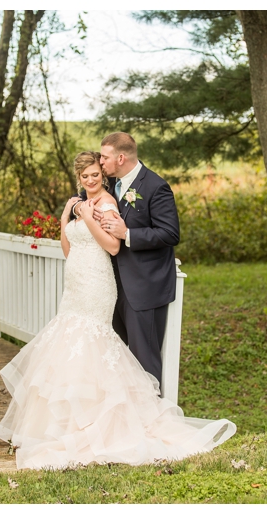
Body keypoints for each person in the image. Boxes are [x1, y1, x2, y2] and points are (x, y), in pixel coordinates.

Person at [0, 152, 235, 470]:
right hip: (76, 283)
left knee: (91, 343)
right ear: (79, 178)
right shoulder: (81, 203)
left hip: (97, 284)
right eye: (86, 176)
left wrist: (88, 216)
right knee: (69, 346)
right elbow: (69, 249)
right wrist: (68, 214)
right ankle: (66, 423)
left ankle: (100, 424)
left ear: (102, 175)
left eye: (96, 174)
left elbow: (112, 246)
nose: (91, 180)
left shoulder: (106, 203)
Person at [83, 132, 180, 395]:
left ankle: (152, 422)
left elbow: (170, 234)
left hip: (143, 288)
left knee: (143, 361)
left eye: (104, 157)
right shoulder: (109, 185)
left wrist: (127, 234)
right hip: (112, 287)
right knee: (118, 359)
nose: (100, 162)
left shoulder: (155, 186)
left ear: (121, 157)